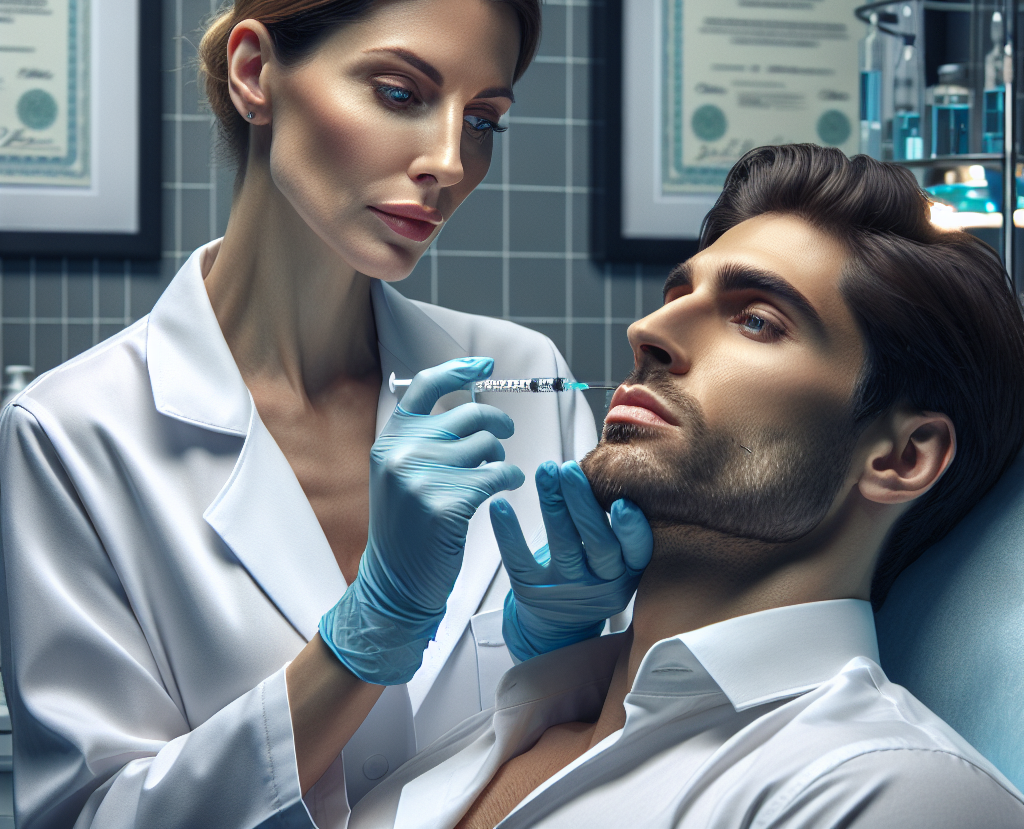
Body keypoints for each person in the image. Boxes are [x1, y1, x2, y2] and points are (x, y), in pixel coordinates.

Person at [0, 0, 619, 829]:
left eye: (485, 119)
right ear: (256, 72)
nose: (450, 163)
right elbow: (90, 817)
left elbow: (600, 756)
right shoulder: (72, 432)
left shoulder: (525, 378)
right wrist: (368, 635)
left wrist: (568, 646)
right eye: (399, 90)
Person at [347, 143, 1024, 828]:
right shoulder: (522, 711)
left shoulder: (889, 789)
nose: (647, 331)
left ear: (902, 457)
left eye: (757, 321)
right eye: (677, 296)